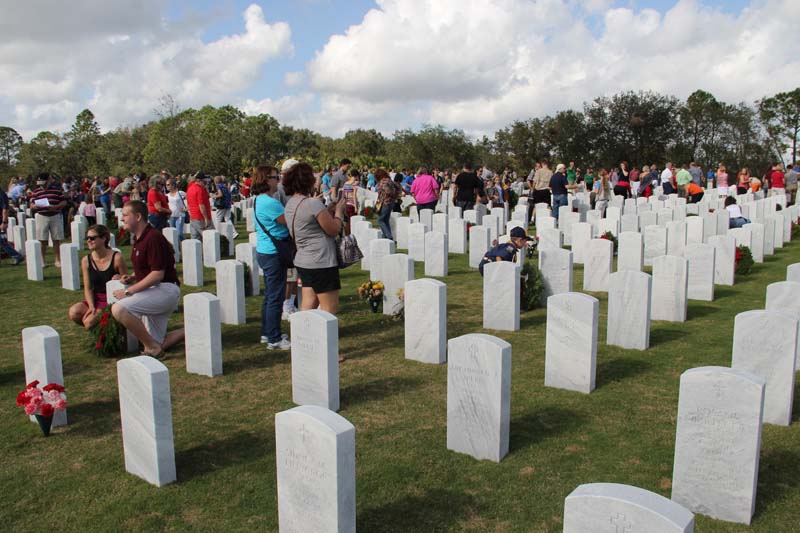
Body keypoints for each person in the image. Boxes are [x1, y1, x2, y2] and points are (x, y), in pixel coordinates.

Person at [111, 200, 184, 359]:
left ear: (138, 216)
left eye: (125, 215)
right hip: (154, 290)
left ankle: (153, 349)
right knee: (159, 341)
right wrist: (132, 277)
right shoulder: (140, 239)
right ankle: (192, 330)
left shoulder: (153, 238)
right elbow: (150, 268)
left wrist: (129, 291)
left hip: (165, 290)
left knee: (120, 309)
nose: (122, 219)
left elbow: (157, 274)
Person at [284, 163, 347, 322]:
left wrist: (328, 210)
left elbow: (310, 222)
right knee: (329, 307)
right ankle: (322, 340)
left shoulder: (291, 203)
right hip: (322, 261)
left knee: (308, 303)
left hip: (303, 260)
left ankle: (303, 334)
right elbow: (333, 229)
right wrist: (339, 213)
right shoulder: (312, 204)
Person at [252, 166, 291, 350]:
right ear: (267, 180)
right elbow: (288, 221)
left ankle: (267, 332)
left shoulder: (259, 200)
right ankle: (274, 338)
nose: (279, 181)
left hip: (265, 250)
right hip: (274, 252)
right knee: (275, 296)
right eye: (276, 178)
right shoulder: (270, 202)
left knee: (269, 295)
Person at [68, 225, 128, 328]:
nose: (89, 241)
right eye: (87, 238)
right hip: (95, 298)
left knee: (88, 322)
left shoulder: (117, 258)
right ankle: (102, 330)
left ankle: (105, 332)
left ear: (104, 238)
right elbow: (88, 288)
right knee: (74, 312)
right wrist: (91, 306)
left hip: (111, 299)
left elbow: (128, 282)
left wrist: (120, 279)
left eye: (92, 238)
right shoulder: (86, 260)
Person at [29, 172, 66, 267]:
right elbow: (31, 204)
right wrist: (34, 206)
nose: (43, 185)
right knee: (42, 239)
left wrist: (55, 207)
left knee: (56, 239)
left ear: (48, 181)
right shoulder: (36, 192)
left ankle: (57, 260)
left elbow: (64, 202)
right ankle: (42, 260)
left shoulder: (56, 190)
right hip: (42, 215)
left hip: (55, 215)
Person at [0, 186, 24, 265]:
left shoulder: (1, 193)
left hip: (1, 220)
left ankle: (16, 255)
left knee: (2, 241)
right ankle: (16, 256)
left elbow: (5, 208)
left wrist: (4, 221)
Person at [186, 171, 213, 240]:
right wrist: (206, 218)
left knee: (195, 239)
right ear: (199, 181)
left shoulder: (190, 188)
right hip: (201, 217)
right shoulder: (199, 190)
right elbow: (201, 205)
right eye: (205, 182)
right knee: (210, 237)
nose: (206, 183)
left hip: (193, 216)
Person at [376, 168, 400, 240]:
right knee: (386, 220)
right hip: (392, 202)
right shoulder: (390, 180)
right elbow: (398, 188)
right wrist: (395, 197)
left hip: (385, 202)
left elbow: (387, 191)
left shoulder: (383, 181)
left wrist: (383, 197)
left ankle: (388, 235)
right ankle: (389, 236)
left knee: (380, 220)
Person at [166, 178, 187, 242]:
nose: (167, 186)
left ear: (173, 185)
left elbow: (190, 199)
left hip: (180, 215)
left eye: (168, 184)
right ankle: (177, 248)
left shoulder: (180, 193)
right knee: (173, 234)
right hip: (171, 216)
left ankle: (184, 244)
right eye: (166, 185)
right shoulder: (166, 195)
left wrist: (186, 208)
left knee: (179, 233)